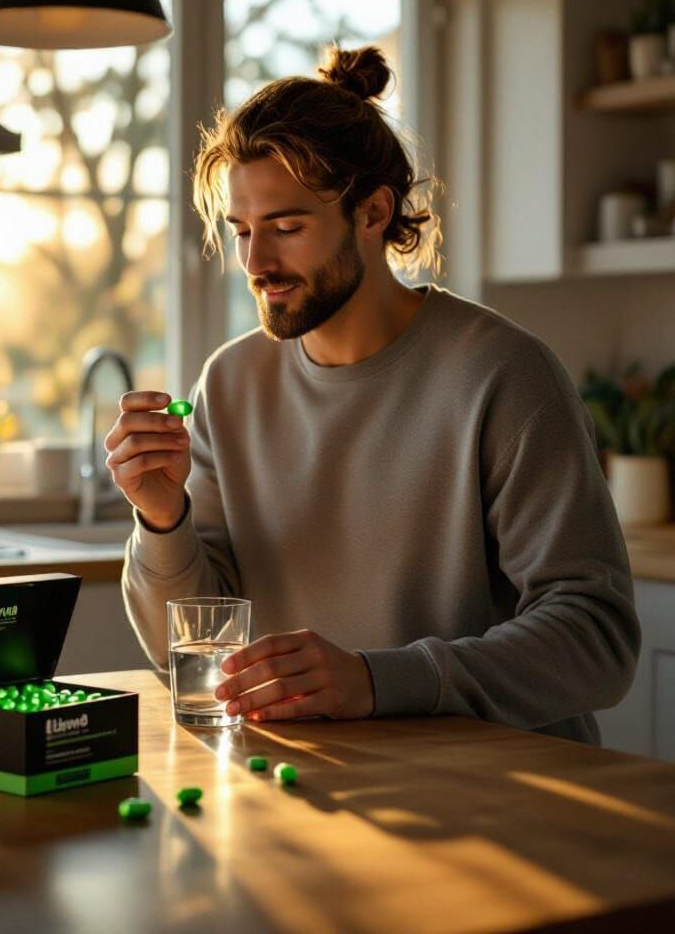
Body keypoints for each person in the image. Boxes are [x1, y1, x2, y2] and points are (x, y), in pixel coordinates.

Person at [107, 43, 639, 744]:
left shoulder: (504, 374)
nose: (256, 264)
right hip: (339, 793)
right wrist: (162, 518)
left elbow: (596, 640)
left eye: (287, 227)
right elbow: (189, 656)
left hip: (513, 793)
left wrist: (378, 679)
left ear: (374, 212)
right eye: (241, 231)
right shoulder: (229, 385)